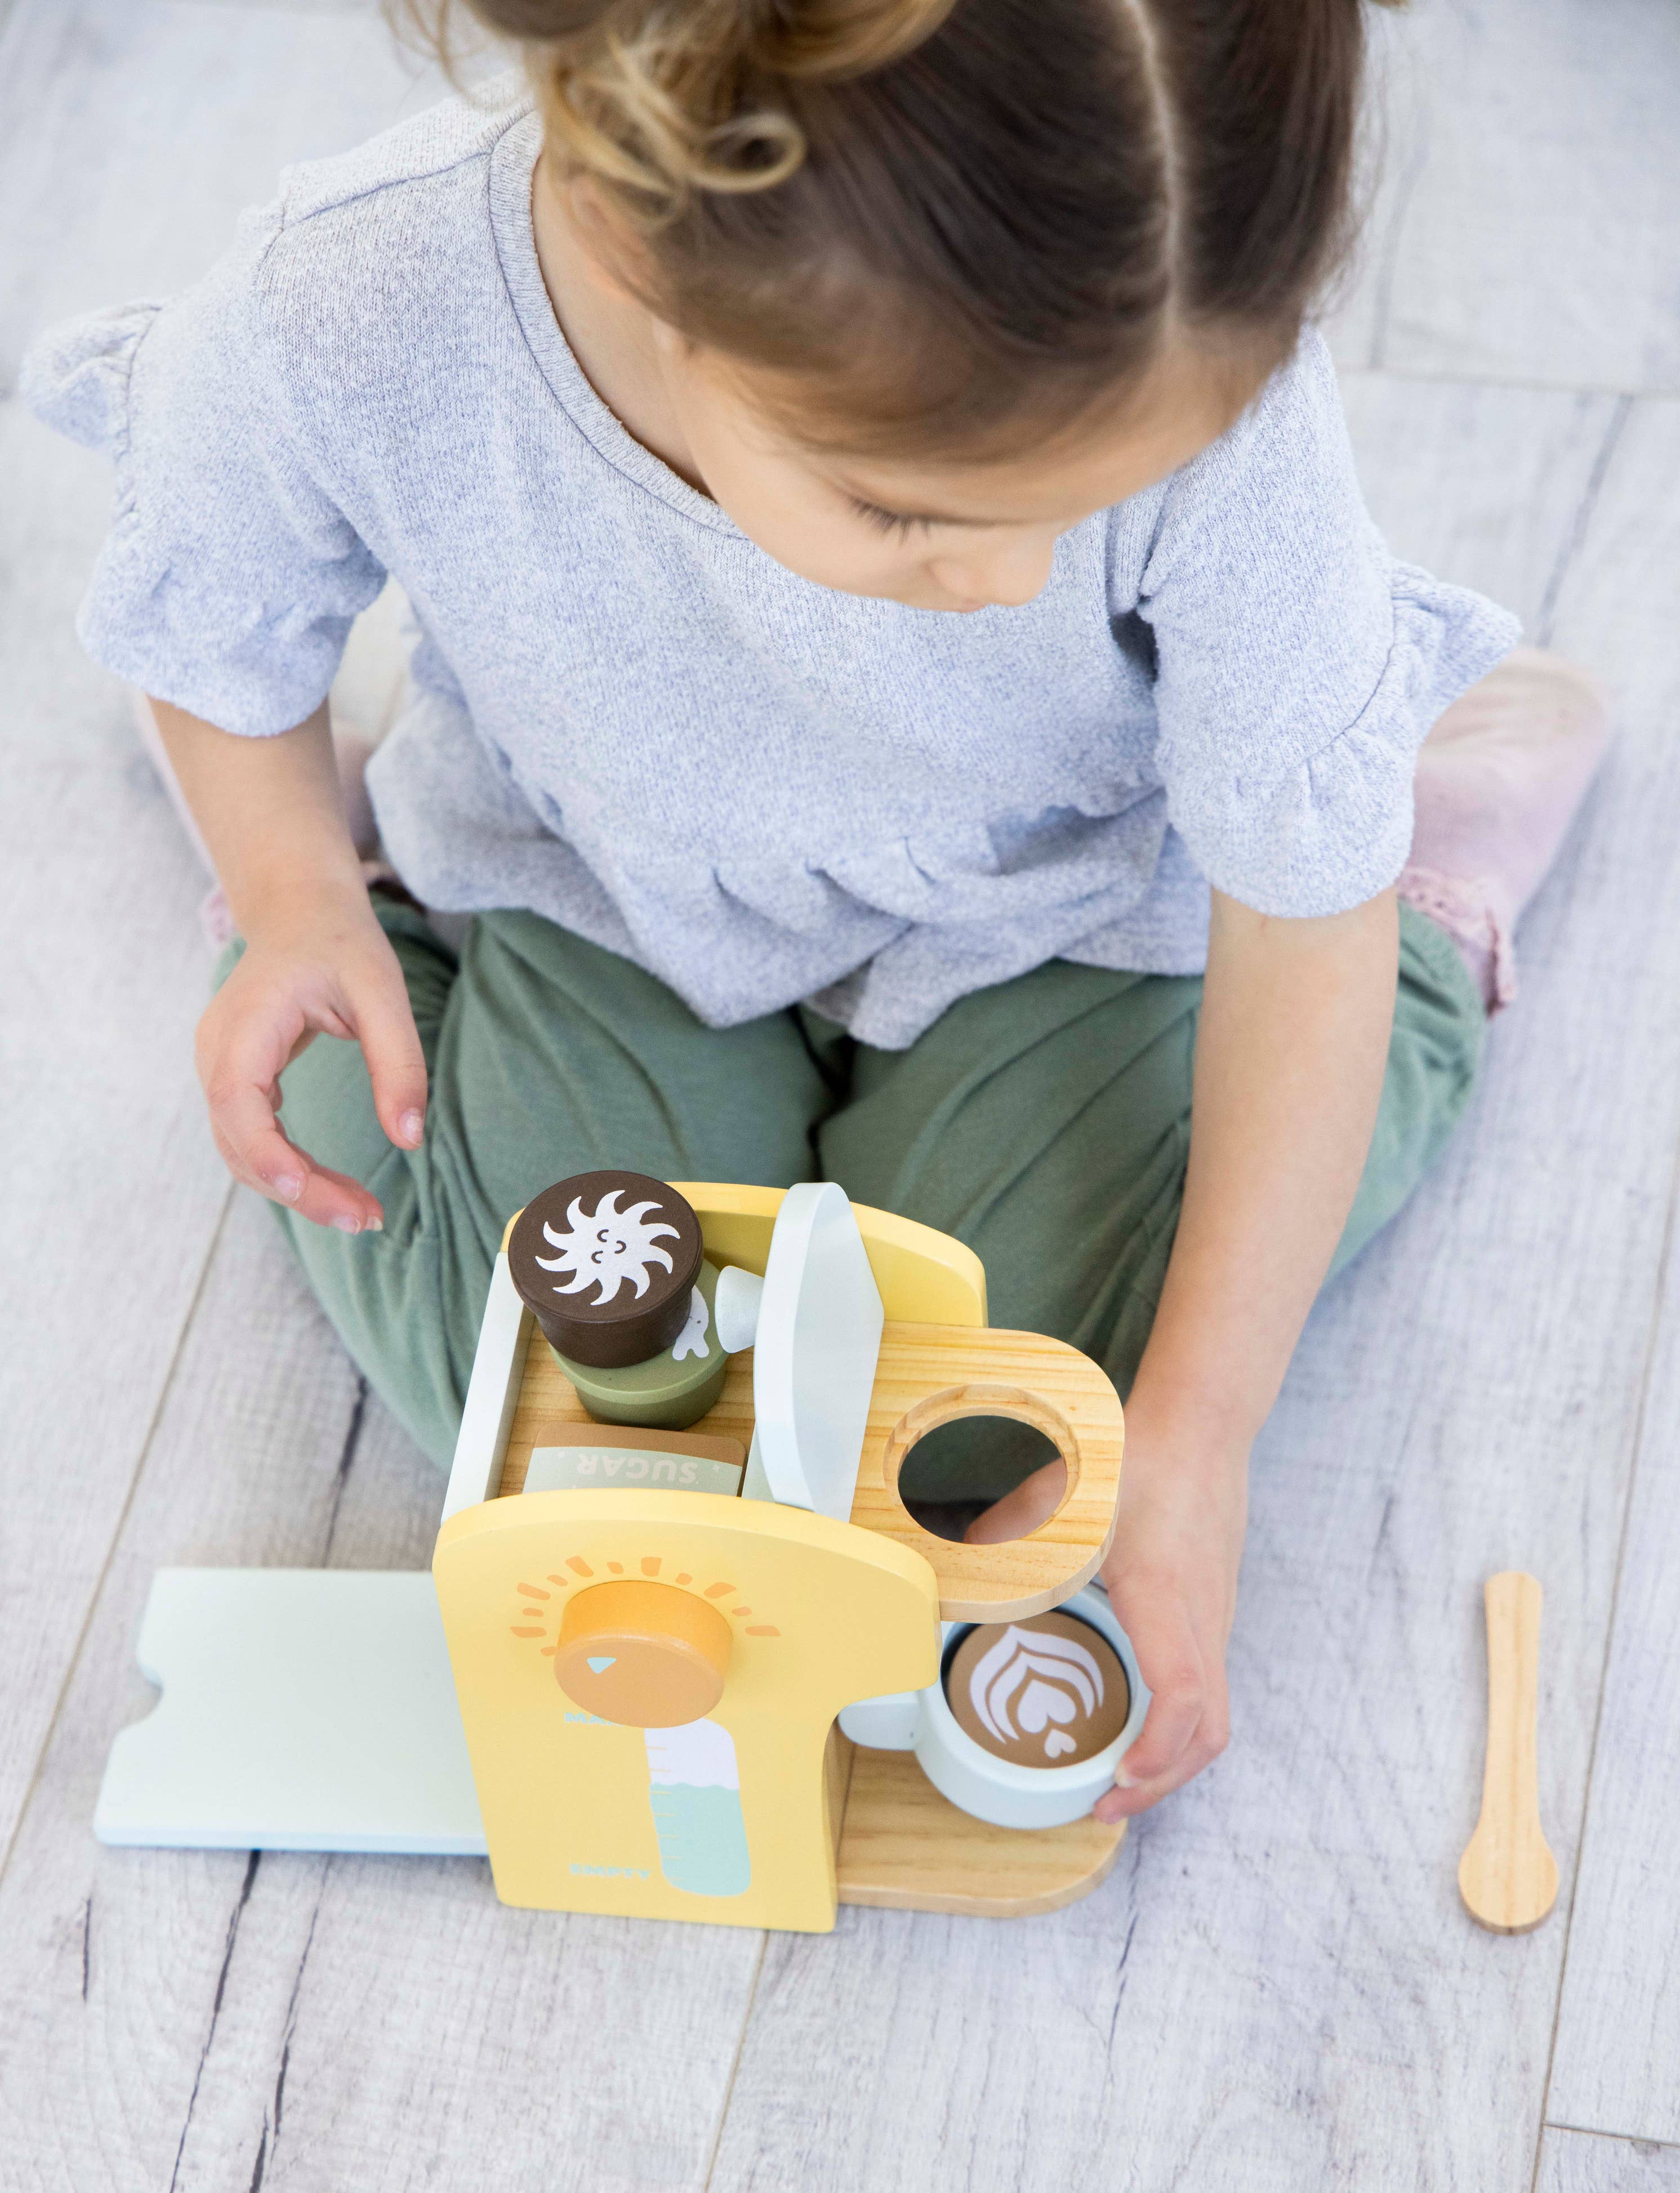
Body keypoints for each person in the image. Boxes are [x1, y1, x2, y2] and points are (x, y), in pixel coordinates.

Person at [23, 0, 1608, 1825]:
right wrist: (297, 895)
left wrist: (1193, 1443)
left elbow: (1283, 923)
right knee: (574, 1400)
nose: (1012, 581)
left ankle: (1431, 869)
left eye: (1075, 512)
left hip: (1062, 925)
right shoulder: (359, 302)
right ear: (636, 244)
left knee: (990, 1467)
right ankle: (358, 864)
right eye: (907, 515)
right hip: (600, 887)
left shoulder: (1198, 354)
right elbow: (219, 610)